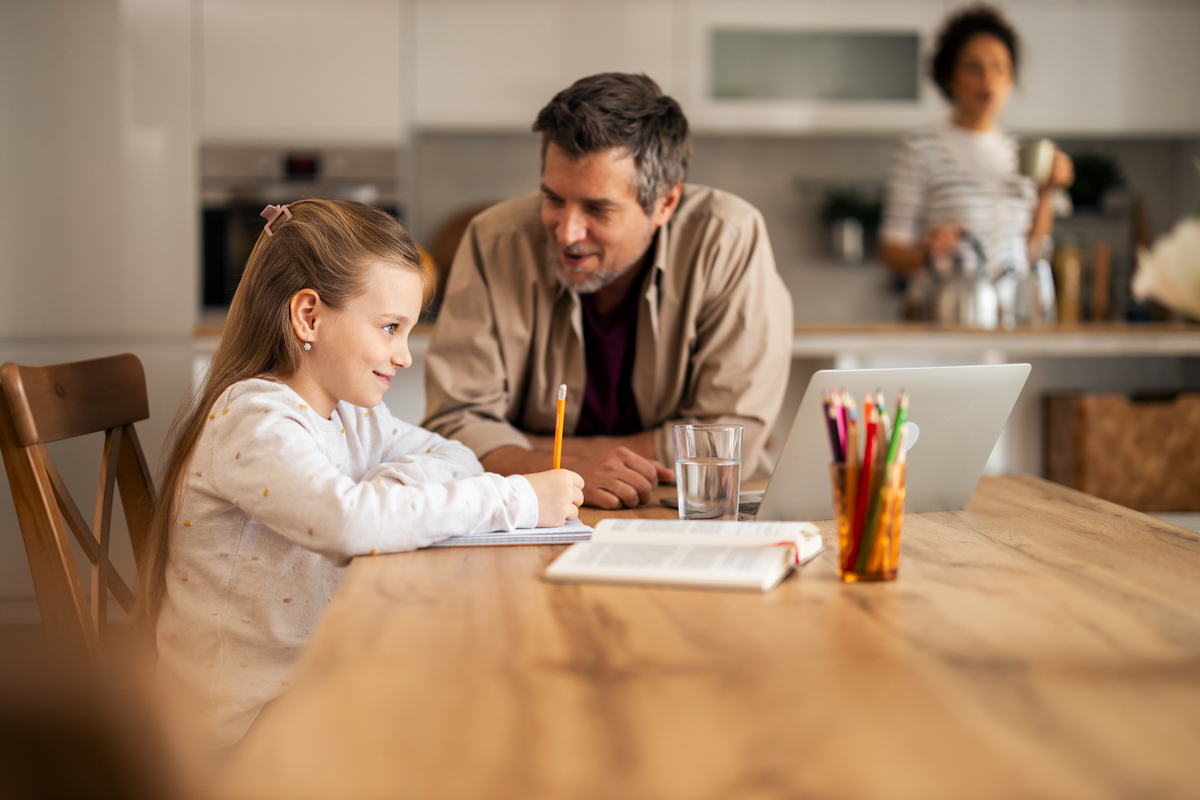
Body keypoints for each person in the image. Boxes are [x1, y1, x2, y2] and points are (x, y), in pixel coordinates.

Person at [138, 199, 583, 745]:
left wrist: (383, 491)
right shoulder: (254, 421)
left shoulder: (352, 413)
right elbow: (350, 524)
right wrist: (518, 500)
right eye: (390, 328)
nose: (404, 356)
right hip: (242, 728)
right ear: (309, 316)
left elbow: (458, 457)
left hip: (316, 680)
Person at [422, 73, 794, 510]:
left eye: (598, 208)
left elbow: (729, 440)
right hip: (538, 513)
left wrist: (534, 452)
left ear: (665, 204)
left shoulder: (728, 237)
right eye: (554, 199)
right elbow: (455, 425)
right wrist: (579, 468)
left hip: (695, 510)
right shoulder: (492, 240)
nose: (567, 231)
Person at [879, 4, 1074, 279]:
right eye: (973, 68)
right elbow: (891, 250)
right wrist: (928, 253)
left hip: (1011, 316)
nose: (988, 81)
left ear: (1011, 78)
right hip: (947, 311)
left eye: (999, 68)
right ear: (949, 77)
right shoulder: (920, 150)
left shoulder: (1019, 153)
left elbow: (1030, 252)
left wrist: (1046, 194)